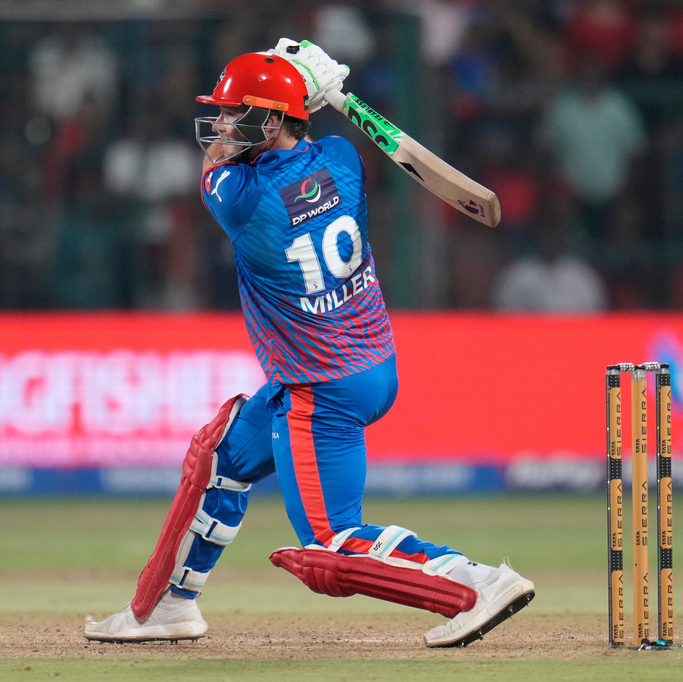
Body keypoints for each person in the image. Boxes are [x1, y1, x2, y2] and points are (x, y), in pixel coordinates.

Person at [83, 40, 534, 649]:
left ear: (269, 120)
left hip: (318, 388)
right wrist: (323, 96)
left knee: (331, 544)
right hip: (372, 362)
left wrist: (297, 88)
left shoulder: (237, 198)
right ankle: (166, 606)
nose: (217, 125)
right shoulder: (344, 158)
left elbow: (219, 161)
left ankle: (475, 583)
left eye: (230, 113)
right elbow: (306, 145)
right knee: (221, 456)